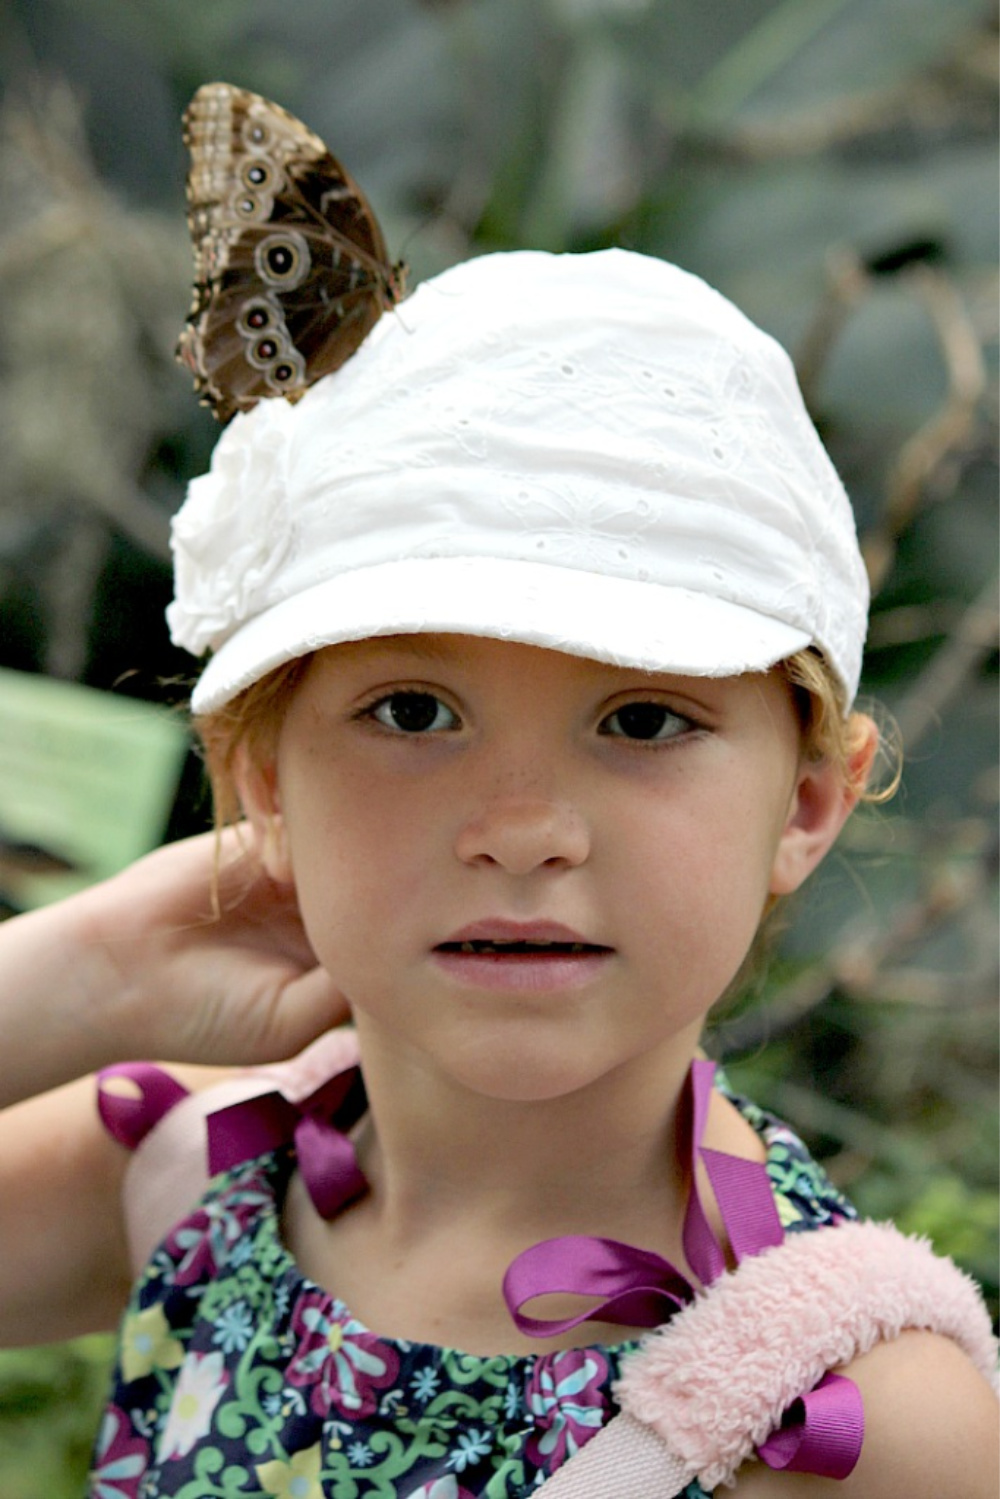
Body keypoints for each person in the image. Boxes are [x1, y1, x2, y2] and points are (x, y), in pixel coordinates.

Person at [0, 249, 995, 1498]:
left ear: (804, 801)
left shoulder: (849, 1421)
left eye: (641, 720)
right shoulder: (187, 1178)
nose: (523, 829)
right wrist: (72, 982)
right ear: (264, 782)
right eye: (413, 710)